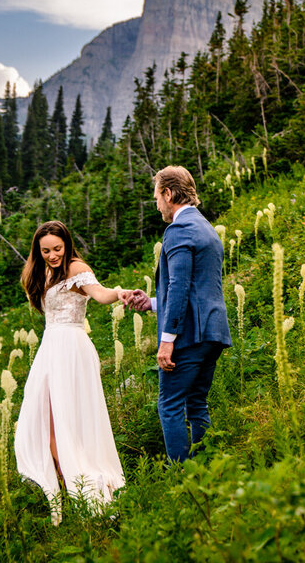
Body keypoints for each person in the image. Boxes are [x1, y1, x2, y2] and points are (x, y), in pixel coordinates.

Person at [14, 220, 126, 524]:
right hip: (50, 347)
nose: (52, 255)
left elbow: (100, 294)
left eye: (57, 249)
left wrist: (121, 293)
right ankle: (63, 477)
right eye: (46, 250)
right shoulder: (42, 272)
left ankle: (80, 480)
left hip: (72, 348)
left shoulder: (76, 268)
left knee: (68, 416)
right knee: (41, 417)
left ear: (67, 245)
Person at [124, 165, 231, 463]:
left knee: (169, 405)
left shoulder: (178, 230)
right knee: (196, 404)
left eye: (157, 197)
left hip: (188, 335)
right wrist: (153, 304)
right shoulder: (206, 228)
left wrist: (167, 339)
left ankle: (184, 479)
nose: (157, 205)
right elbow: (196, 287)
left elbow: (180, 285)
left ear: (169, 194)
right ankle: (208, 470)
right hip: (214, 331)